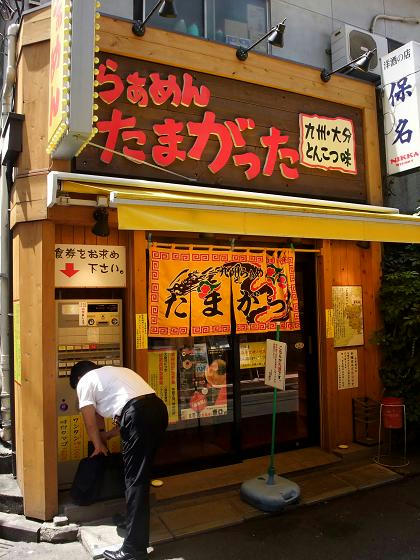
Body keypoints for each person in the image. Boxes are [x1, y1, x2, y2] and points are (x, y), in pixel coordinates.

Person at [69, 361, 168, 560]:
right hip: (158, 410)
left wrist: (97, 445)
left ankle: (133, 549)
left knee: (135, 481)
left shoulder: (85, 381)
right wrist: (107, 436)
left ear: (79, 378)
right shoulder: (118, 372)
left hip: (138, 415)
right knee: (140, 477)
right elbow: (129, 412)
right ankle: (133, 525)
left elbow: (90, 421)